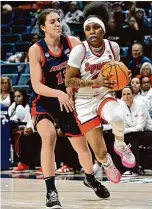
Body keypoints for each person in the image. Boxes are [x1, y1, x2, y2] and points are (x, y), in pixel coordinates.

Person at [29, 9, 109, 209]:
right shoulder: (36, 50)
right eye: (53, 21)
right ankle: (51, 191)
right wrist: (59, 93)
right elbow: (37, 85)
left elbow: (85, 68)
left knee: (81, 146)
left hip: (69, 100)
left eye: (59, 20)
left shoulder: (72, 42)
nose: (58, 24)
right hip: (45, 100)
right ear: (43, 27)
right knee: (49, 137)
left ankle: (90, 178)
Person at [65, 2, 136, 184]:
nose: (92, 31)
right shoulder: (79, 51)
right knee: (100, 151)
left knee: (118, 118)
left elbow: (116, 73)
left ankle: (120, 144)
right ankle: (107, 163)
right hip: (84, 100)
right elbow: (69, 81)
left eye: (96, 27)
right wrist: (93, 82)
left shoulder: (113, 48)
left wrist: (123, 78)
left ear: (103, 30)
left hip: (104, 95)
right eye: (88, 29)